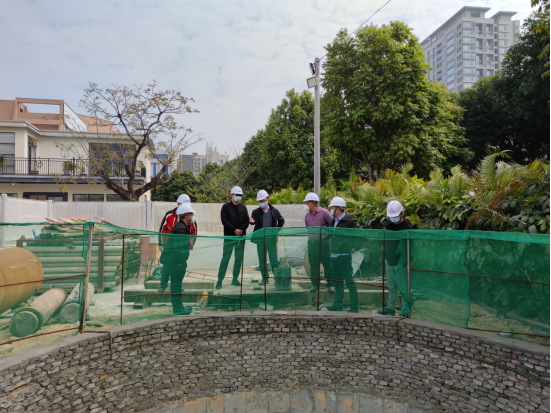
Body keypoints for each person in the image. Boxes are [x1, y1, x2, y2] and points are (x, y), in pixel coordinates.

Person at [159, 203, 197, 315]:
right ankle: (178, 309)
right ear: (186, 216)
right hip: (176, 262)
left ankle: (178, 308)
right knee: (176, 286)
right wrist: (181, 262)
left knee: (176, 286)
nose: (192, 216)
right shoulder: (180, 228)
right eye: (191, 214)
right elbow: (178, 248)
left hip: (174, 261)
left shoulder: (181, 226)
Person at [378, 200, 413, 316]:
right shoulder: (388, 225)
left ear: (401, 214)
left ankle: (404, 310)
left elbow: (410, 246)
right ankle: (390, 308)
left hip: (401, 263)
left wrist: (405, 261)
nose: (393, 219)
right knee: (391, 286)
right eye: (391, 216)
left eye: (395, 216)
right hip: (389, 260)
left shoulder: (407, 227)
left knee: (403, 287)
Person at [327, 196, 361, 313]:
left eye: (332, 207)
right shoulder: (332, 221)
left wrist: (353, 247)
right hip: (335, 255)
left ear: (338, 208)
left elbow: (359, 234)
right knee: (337, 281)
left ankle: (354, 306)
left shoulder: (350, 220)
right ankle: (338, 304)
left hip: (345, 255)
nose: (331, 209)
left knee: (349, 281)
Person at [216, 186, 250, 289]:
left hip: (240, 238)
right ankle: (220, 280)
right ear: (231, 195)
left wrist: (241, 231)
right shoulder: (225, 207)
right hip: (229, 238)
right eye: (236, 195)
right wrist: (234, 230)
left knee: (238, 259)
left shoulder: (243, 208)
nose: (238, 197)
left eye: (240, 195)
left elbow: (246, 221)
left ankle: (235, 279)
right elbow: (224, 221)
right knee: (225, 258)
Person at [249, 190, 285, 285]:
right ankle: (265, 278)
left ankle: (277, 279)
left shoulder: (274, 211)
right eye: (260, 201)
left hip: (271, 240)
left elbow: (281, 220)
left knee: (273, 260)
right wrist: (252, 222)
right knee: (262, 260)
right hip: (261, 240)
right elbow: (253, 220)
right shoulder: (256, 212)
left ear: (267, 200)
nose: (261, 203)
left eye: (263, 201)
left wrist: (276, 230)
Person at [304, 192, 335, 293]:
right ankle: (314, 284)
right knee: (313, 264)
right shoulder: (307, 216)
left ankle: (330, 284)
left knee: (326, 263)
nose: (306, 205)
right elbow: (307, 227)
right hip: (312, 243)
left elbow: (332, 224)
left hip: (323, 243)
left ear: (312, 203)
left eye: (307, 202)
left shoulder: (324, 212)